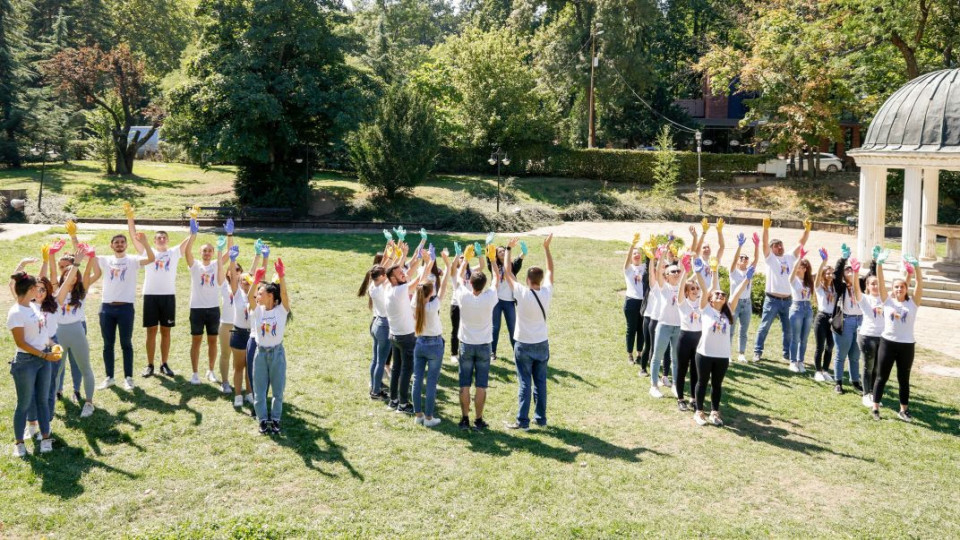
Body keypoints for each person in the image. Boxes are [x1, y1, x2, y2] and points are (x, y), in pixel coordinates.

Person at [88, 219, 155, 390]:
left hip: (126, 308)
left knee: (126, 343)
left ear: (126, 245)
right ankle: (109, 377)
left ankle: (128, 378)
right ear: (111, 245)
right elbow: (85, 254)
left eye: (122, 242)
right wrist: (74, 237)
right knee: (107, 344)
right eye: (116, 242)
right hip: (107, 308)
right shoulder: (105, 259)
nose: (119, 244)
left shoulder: (133, 260)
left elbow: (151, 258)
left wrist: (145, 243)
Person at [128, 207, 191, 378]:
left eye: (164, 237)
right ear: (154, 242)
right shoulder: (149, 252)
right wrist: (130, 217)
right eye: (158, 238)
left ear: (168, 240)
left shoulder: (173, 253)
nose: (161, 239)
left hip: (168, 297)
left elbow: (190, 238)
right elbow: (134, 236)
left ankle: (164, 363)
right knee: (151, 331)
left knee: (166, 331)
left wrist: (193, 219)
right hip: (150, 295)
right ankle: (150, 365)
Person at [692, 264, 753, 427]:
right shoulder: (705, 309)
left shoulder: (728, 312)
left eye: (722, 294)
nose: (720, 295)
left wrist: (747, 278)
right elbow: (705, 290)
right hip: (704, 354)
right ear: (711, 299)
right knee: (702, 382)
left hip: (722, 356)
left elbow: (738, 292)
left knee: (717, 385)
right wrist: (698, 272)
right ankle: (699, 412)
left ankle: (714, 412)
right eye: (717, 293)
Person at [504, 235, 554, 430]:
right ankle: (540, 418)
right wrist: (546, 248)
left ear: (526, 279)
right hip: (541, 342)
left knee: (524, 382)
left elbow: (507, 272)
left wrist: (508, 249)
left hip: (523, 343)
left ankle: (522, 421)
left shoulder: (521, 292)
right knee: (540, 382)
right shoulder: (547, 292)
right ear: (540, 280)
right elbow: (551, 270)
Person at [8, 270, 58, 456]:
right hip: (26, 363)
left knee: (43, 400)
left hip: (43, 359)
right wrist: (45, 357)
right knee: (24, 403)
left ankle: (45, 438)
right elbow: (21, 343)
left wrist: (53, 347)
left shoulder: (35, 308)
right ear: (29, 289)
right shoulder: (15, 313)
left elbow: (43, 336)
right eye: (36, 288)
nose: (39, 292)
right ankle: (19, 443)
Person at [871, 257, 923, 422]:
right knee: (881, 377)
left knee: (904, 379)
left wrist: (917, 267)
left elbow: (920, 285)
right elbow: (880, 282)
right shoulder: (887, 301)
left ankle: (903, 410)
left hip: (907, 345)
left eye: (902, 286)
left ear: (906, 288)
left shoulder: (913, 303)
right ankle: (875, 407)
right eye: (896, 287)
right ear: (892, 289)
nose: (899, 289)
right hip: (888, 343)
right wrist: (879, 264)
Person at [453, 244, 498, 430]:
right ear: (483, 284)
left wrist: (465, 259)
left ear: (470, 283)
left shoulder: (463, 296)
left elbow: (457, 277)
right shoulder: (490, 297)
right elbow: (497, 277)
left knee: (464, 383)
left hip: (466, 344)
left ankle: (464, 418)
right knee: (481, 385)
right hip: (484, 345)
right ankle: (478, 420)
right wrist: (492, 259)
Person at [753, 218, 811, 362]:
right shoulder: (770, 258)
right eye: (777, 246)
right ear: (772, 249)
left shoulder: (790, 257)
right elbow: (765, 244)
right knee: (765, 326)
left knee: (788, 329)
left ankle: (787, 353)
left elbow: (801, 243)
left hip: (788, 300)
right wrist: (765, 229)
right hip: (772, 299)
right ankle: (757, 351)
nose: (780, 247)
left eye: (781, 245)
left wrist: (807, 230)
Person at [183, 218, 229, 385]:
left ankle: (210, 371)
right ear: (201, 253)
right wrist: (193, 235)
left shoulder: (217, 264)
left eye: (210, 250)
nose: (208, 253)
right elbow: (187, 252)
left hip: (213, 309)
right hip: (196, 309)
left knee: (212, 341)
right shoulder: (195, 266)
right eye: (205, 251)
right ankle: (195, 373)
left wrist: (229, 235)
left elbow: (230, 253)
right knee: (196, 341)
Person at [248, 257, 291, 434]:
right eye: (258, 293)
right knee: (259, 391)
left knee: (278, 390)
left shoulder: (281, 310)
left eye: (261, 293)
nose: (258, 296)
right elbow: (250, 297)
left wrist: (281, 276)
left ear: (271, 296)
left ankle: (275, 420)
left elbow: (285, 296)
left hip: (277, 354)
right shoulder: (258, 311)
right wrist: (256, 281)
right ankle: (263, 420)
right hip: (260, 353)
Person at [411, 247, 452, 427]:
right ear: (429, 293)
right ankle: (428, 418)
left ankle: (418, 414)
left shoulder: (415, 303)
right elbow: (443, 286)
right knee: (431, 383)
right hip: (434, 344)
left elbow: (421, 281)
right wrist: (447, 264)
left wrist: (428, 263)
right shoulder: (433, 305)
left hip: (419, 343)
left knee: (417, 380)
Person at [385, 244, 422, 414]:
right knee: (406, 370)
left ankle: (393, 400)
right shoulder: (400, 291)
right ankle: (403, 404)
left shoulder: (389, 288)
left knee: (396, 368)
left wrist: (411, 257)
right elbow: (416, 280)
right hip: (406, 337)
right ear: (393, 279)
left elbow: (407, 273)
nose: (403, 274)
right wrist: (426, 264)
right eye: (400, 274)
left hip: (394, 335)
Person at [648, 246, 683, 399]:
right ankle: (654, 386)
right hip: (663, 326)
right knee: (657, 357)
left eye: (678, 271)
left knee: (676, 358)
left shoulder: (683, 287)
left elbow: (686, 271)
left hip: (679, 327)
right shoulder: (663, 287)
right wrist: (661, 256)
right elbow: (657, 272)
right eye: (673, 271)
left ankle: (675, 385)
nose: (676, 273)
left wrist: (683, 259)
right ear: (666, 276)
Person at [854, 248, 886, 407]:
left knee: (877, 369)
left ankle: (873, 394)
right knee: (868, 367)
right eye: (872, 283)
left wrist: (878, 263)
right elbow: (856, 290)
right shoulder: (865, 299)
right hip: (867, 337)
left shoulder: (886, 299)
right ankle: (866, 394)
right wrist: (855, 273)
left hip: (883, 338)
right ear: (867, 286)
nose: (876, 286)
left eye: (878, 283)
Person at [831, 246, 864, 395]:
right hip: (846, 322)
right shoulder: (841, 287)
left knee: (855, 355)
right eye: (847, 270)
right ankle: (838, 382)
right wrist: (843, 259)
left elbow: (872, 274)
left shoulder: (861, 286)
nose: (850, 271)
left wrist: (875, 262)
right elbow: (836, 274)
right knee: (841, 354)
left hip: (860, 322)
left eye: (852, 269)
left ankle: (855, 381)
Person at [227, 246, 255, 408]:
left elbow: (259, 276)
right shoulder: (237, 293)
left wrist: (262, 257)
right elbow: (232, 275)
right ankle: (238, 394)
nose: (245, 281)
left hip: (252, 335)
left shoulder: (257, 295)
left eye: (248, 279)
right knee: (239, 367)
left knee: (250, 367)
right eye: (242, 279)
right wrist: (232, 260)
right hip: (238, 334)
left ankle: (249, 393)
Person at [489, 242, 524, 360]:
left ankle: (516, 352)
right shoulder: (494, 267)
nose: (502, 252)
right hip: (496, 301)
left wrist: (524, 252)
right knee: (495, 327)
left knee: (512, 327)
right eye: (499, 252)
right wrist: (489, 244)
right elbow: (490, 259)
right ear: (497, 256)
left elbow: (520, 259)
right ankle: (492, 352)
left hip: (509, 302)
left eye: (504, 250)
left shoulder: (512, 266)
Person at [674, 257, 701, 412]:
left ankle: (693, 398)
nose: (695, 291)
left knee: (695, 370)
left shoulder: (702, 303)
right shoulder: (682, 303)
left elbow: (708, 287)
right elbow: (680, 288)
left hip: (698, 338)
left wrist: (698, 272)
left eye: (697, 289)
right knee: (682, 369)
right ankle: (680, 398)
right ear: (686, 292)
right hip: (684, 338)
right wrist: (685, 271)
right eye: (692, 289)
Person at [729, 231, 759, 363]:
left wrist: (757, 245)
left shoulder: (749, 271)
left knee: (743, 330)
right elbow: (734, 259)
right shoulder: (733, 271)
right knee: (730, 329)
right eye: (742, 258)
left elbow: (756, 259)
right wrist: (739, 246)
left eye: (746, 258)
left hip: (746, 303)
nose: (744, 259)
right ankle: (727, 354)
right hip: (733, 304)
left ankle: (741, 353)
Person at [812, 250, 836, 382]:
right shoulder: (819, 287)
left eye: (832, 273)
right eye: (828, 273)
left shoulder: (835, 288)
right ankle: (818, 371)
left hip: (833, 319)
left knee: (830, 346)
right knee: (820, 346)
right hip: (822, 318)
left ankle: (826, 370)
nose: (830, 275)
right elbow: (816, 278)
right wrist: (824, 262)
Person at [787, 255, 815, 373]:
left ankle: (800, 361)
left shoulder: (809, 281)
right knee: (795, 338)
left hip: (807, 308)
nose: (797, 268)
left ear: (805, 269)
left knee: (804, 338)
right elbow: (792, 272)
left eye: (800, 266)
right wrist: (799, 258)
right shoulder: (794, 280)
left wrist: (824, 261)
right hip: (797, 307)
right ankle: (793, 362)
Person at [623, 234, 646, 365]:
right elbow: (626, 260)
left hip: (643, 302)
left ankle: (640, 354)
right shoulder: (628, 269)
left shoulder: (644, 267)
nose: (637, 255)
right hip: (631, 302)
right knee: (631, 329)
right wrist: (632, 246)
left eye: (639, 253)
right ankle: (630, 355)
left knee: (641, 330)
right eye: (634, 253)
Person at [692, 218, 725, 290]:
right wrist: (704, 232)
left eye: (708, 247)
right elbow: (697, 249)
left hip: (714, 294)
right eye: (704, 248)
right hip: (701, 294)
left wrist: (719, 232)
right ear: (700, 251)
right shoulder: (697, 261)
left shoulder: (714, 260)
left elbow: (722, 247)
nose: (707, 249)